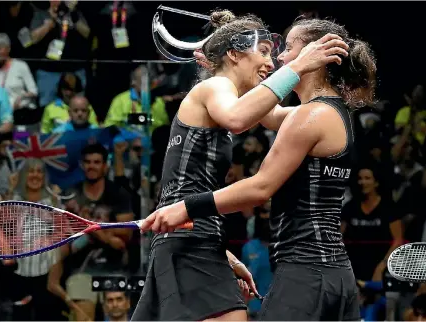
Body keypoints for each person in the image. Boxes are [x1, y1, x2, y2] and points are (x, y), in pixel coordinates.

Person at [142, 17, 377, 321]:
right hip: (332, 272)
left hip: (305, 273)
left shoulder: (310, 116)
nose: (277, 57)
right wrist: (233, 73)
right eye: (265, 51)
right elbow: (263, 112)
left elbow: (259, 184)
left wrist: (185, 208)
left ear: (313, 55)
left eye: (286, 48)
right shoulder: (328, 113)